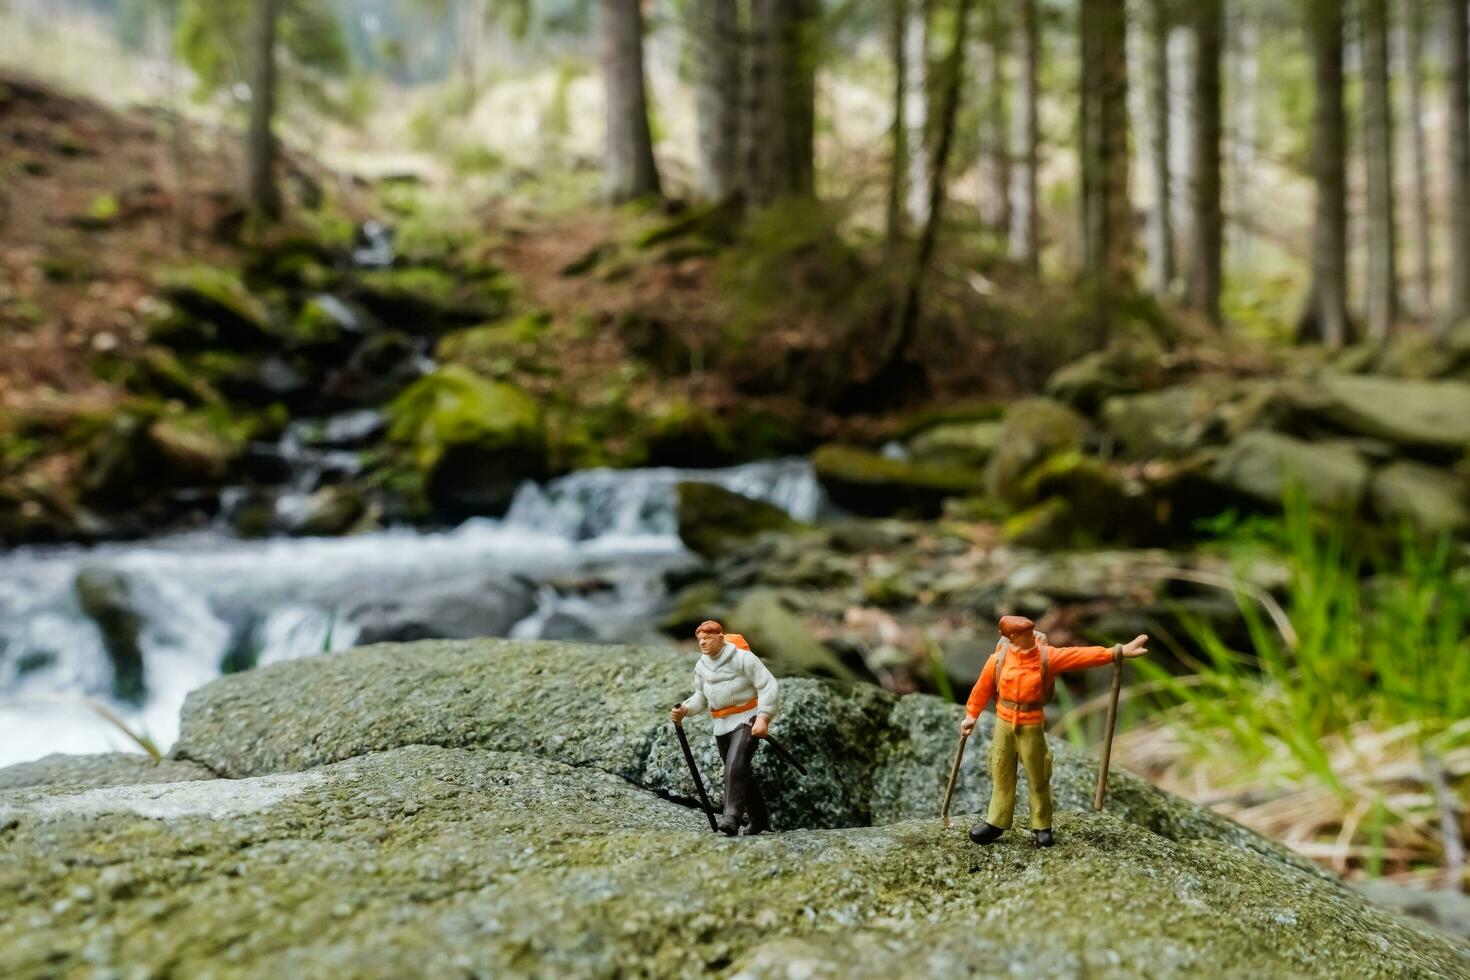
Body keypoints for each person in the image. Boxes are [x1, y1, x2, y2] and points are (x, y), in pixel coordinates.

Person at [961, 615, 1148, 847]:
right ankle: (996, 822)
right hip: (1003, 722)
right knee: (1001, 771)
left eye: (1030, 633)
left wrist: (1115, 652)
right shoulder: (998, 660)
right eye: (1023, 635)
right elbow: (982, 688)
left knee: (1038, 775)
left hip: (1031, 724)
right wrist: (971, 716)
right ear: (1010, 637)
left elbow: (1080, 655)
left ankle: (1042, 826)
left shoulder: (1046, 657)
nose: (1029, 637)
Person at [670, 620, 779, 836]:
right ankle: (759, 820)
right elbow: (700, 697)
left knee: (734, 765)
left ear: (720, 636)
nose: (703, 643)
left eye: (708, 638)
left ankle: (731, 817)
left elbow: (767, 685)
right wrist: (684, 709)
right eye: (700, 640)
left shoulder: (743, 659)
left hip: (747, 717)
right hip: (721, 724)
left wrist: (764, 717)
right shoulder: (702, 665)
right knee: (741, 772)